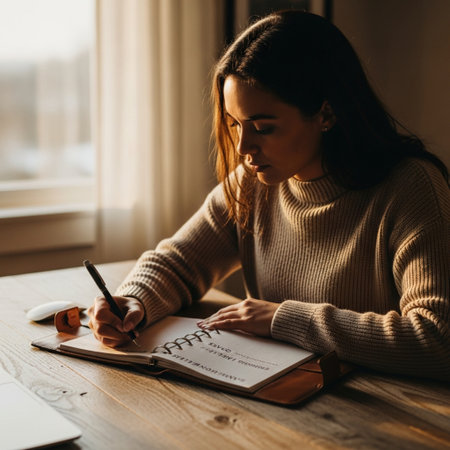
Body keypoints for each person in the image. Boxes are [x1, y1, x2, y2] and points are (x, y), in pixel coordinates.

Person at [88, 10, 450, 381]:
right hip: (277, 396)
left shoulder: (411, 188)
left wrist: (283, 318)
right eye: (234, 124)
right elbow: (181, 262)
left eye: (263, 127)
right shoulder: (253, 182)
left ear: (326, 114)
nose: (244, 147)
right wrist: (135, 299)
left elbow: (438, 339)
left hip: (386, 409)